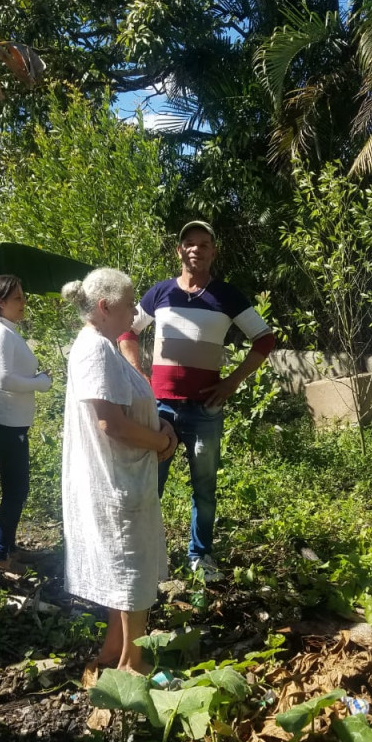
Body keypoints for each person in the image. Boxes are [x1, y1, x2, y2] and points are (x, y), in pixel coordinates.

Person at [118, 220, 276, 581]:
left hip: (206, 410)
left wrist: (233, 381)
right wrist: (138, 375)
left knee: (204, 489)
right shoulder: (160, 293)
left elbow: (265, 339)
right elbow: (127, 330)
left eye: (204, 244)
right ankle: (146, 553)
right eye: (189, 243)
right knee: (150, 484)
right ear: (179, 250)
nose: (196, 249)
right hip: (159, 408)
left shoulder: (227, 295)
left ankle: (200, 556)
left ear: (213, 252)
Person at [61, 268, 177, 673]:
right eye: (129, 304)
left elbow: (126, 408)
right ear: (105, 307)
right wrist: (160, 442)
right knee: (132, 568)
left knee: (123, 565)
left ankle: (113, 650)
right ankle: (132, 664)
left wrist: (160, 429)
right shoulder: (95, 349)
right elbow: (111, 422)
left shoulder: (104, 346)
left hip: (125, 474)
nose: (135, 312)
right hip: (116, 480)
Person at [0, 274, 53, 572]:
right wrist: (40, 383)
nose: (24, 303)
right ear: (0, 301)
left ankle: (8, 547)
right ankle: (0, 556)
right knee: (16, 491)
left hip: (11, 424)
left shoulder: (6, 330)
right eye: (17, 298)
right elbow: (4, 379)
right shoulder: (0, 333)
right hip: (6, 425)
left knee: (16, 490)